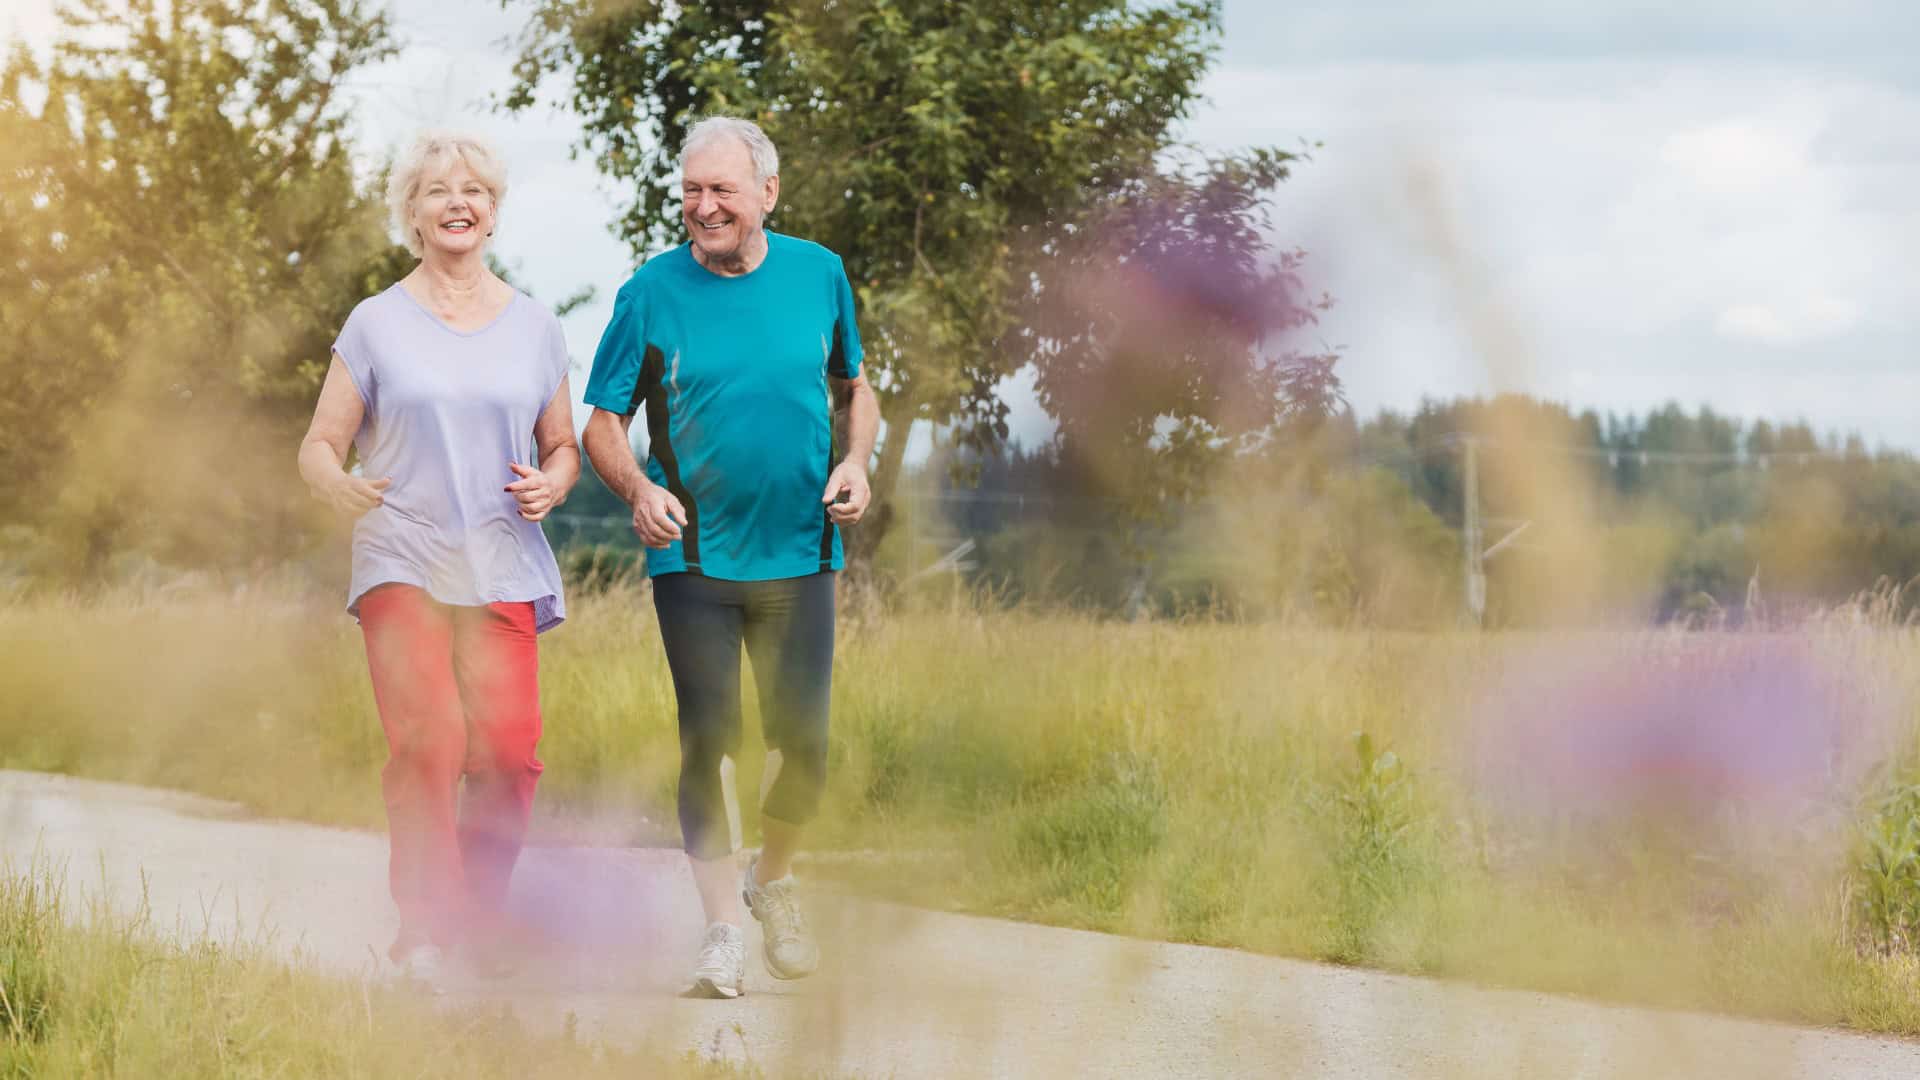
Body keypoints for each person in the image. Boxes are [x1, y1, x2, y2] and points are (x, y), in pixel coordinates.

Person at [581, 116, 878, 999]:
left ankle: (770, 878)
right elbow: (602, 422)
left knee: (806, 748)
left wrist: (857, 461)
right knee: (710, 738)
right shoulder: (650, 292)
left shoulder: (820, 274)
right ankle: (719, 932)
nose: (704, 207)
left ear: (767, 194)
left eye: (722, 190)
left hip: (802, 551)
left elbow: (856, 388)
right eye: (691, 191)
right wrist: (639, 490)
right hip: (695, 557)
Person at [297, 130, 579, 987]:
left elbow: (562, 445)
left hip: (500, 558)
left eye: (475, 190)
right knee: (430, 739)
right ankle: (426, 927)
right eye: (437, 191)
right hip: (403, 554)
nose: (458, 202)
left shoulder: (535, 326)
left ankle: (481, 921)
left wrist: (554, 484)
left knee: (511, 751)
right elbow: (319, 443)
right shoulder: (375, 322)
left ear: (493, 213)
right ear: (413, 215)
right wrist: (334, 482)